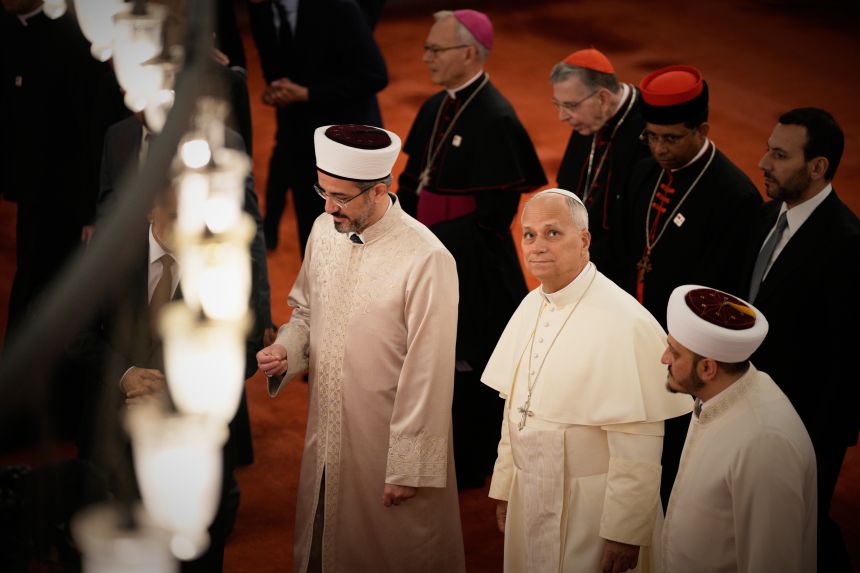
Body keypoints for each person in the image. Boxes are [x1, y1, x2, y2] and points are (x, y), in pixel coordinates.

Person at [256, 124, 465, 572]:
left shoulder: (427, 258)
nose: (328, 207)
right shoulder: (323, 229)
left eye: (342, 197)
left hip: (386, 446)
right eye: (323, 191)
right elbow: (306, 312)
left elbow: (429, 370)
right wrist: (288, 350)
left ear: (379, 191)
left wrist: (407, 468)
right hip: (327, 429)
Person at [482, 188, 691, 573]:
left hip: (592, 508)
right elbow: (515, 410)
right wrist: (507, 487)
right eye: (529, 234)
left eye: (552, 233)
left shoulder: (625, 321)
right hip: (530, 491)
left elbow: (639, 444)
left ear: (584, 240)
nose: (537, 245)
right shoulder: (531, 304)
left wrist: (625, 530)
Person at [397, 9, 547, 487]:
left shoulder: (496, 116)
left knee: (469, 359)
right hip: (427, 249)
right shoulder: (437, 106)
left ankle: (474, 459)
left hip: (473, 262)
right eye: (426, 48)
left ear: (468, 53)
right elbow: (414, 173)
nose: (426, 57)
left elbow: (495, 209)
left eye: (435, 49)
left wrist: (439, 242)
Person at [620, 64, 762, 506]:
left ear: (700, 129)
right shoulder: (644, 172)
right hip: (637, 335)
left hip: (689, 352)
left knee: (676, 454)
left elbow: (728, 291)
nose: (659, 149)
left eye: (672, 138)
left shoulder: (733, 195)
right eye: (652, 136)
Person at [744, 107, 859, 572]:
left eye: (779, 154)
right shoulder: (767, 214)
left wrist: (814, 450)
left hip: (799, 431)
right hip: (747, 411)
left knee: (793, 537)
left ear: (818, 168)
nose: (763, 163)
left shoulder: (847, 245)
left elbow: (847, 364)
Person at [661, 284, 816, 572]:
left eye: (674, 353)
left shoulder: (764, 444)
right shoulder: (718, 396)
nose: (664, 359)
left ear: (708, 368)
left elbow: (772, 562)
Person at [247, 0, 388, 253]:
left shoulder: (339, 7)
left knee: (353, 246)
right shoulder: (261, 7)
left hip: (348, 146)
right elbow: (276, 68)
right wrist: (277, 92)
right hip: (299, 141)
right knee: (312, 241)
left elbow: (374, 75)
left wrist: (309, 93)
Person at [550, 47, 649, 282]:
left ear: (603, 98)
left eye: (571, 106)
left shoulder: (647, 128)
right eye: (558, 104)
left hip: (622, 270)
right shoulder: (589, 119)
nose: (562, 116)